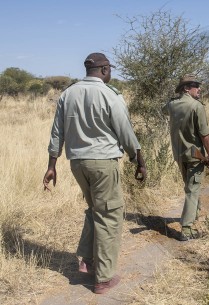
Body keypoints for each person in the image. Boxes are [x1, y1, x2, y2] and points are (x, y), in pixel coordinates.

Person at [42, 52, 147, 294]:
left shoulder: (68, 94)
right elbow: (125, 131)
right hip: (103, 163)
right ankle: (104, 278)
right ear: (104, 69)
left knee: (94, 210)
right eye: (109, 69)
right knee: (110, 215)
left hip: (77, 163)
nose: (110, 73)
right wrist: (138, 159)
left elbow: (57, 132)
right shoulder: (109, 95)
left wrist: (51, 165)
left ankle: (87, 260)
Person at [163, 74, 209, 241]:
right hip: (195, 156)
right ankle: (186, 229)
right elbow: (205, 135)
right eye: (195, 85)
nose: (199, 88)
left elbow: (164, 109)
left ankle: (194, 214)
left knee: (190, 186)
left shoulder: (172, 105)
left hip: (179, 155)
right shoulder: (196, 106)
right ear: (186, 88)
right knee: (192, 190)